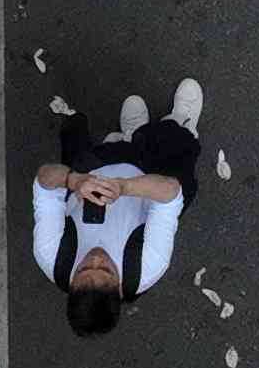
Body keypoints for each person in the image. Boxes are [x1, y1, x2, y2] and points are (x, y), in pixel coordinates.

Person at [29, 77, 204, 339]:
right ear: (120, 288)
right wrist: (125, 188)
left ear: (71, 283)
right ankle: (179, 123)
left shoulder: (50, 254)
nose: (96, 258)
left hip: (97, 167)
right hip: (149, 177)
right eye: (107, 270)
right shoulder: (149, 265)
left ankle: (131, 136)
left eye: (84, 269)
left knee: (87, 147)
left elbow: (44, 179)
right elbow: (170, 192)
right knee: (179, 152)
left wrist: (73, 180)